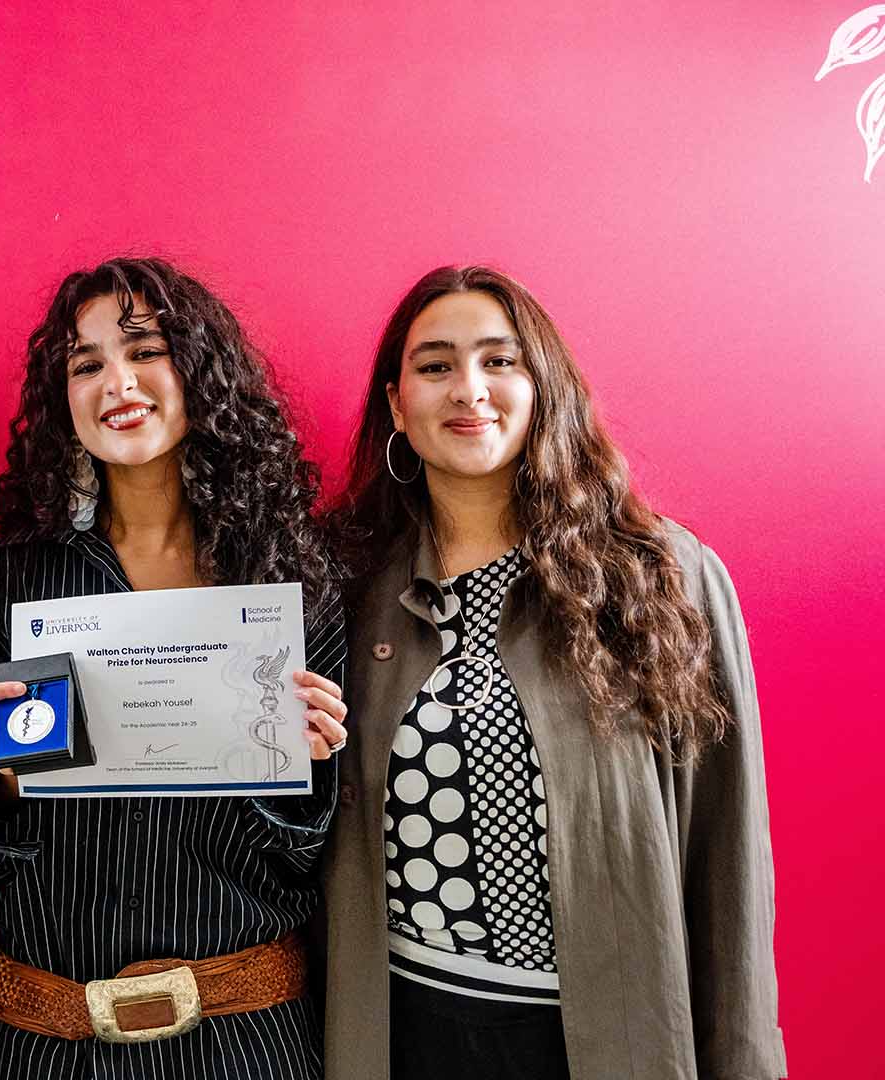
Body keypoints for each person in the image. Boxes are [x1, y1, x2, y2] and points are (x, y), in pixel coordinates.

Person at [320, 265, 785, 1079]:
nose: (469, 389)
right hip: (402, 1030)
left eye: (499, 361)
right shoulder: (346, 584)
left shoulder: (661, 575)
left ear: (544, 386)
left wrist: (744, 1061)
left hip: (597, 1041)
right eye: (435, 365)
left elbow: (728, 857)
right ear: (397, 403)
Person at [0, 257, 351, 1079]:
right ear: (61, 398)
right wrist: (3, 769)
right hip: (48, 1039)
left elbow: (310, 859)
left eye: (145, 351)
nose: (117, 383)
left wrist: (308, 763)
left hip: (243, 1041)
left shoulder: (289, 573)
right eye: (86, 364)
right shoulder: (19, 577)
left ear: (200, 372)